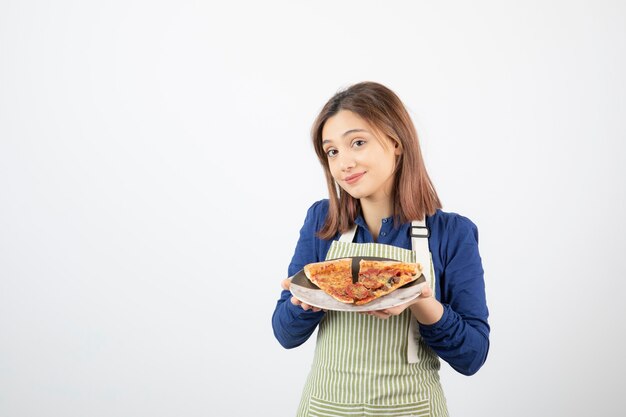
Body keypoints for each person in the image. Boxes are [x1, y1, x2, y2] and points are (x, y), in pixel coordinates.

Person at [271, 81, 489, 417]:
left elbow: (472, 357)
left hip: (413, 409)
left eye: (357, 142)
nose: (344, 163)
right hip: (324, 408)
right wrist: (305, 301)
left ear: (396, 142)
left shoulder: (451, 233)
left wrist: (421, 301)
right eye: (332, 151)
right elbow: (285, 334)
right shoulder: (322, 220)